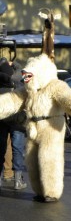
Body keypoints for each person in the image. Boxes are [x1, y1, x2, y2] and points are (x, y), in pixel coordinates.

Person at [0, 58, 27, 190]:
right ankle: (17, 181)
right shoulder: (17, 80)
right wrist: (14, 64)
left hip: (2, 119)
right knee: (17, 149)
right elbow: (20, 69)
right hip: (17, 120)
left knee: (1, 148)